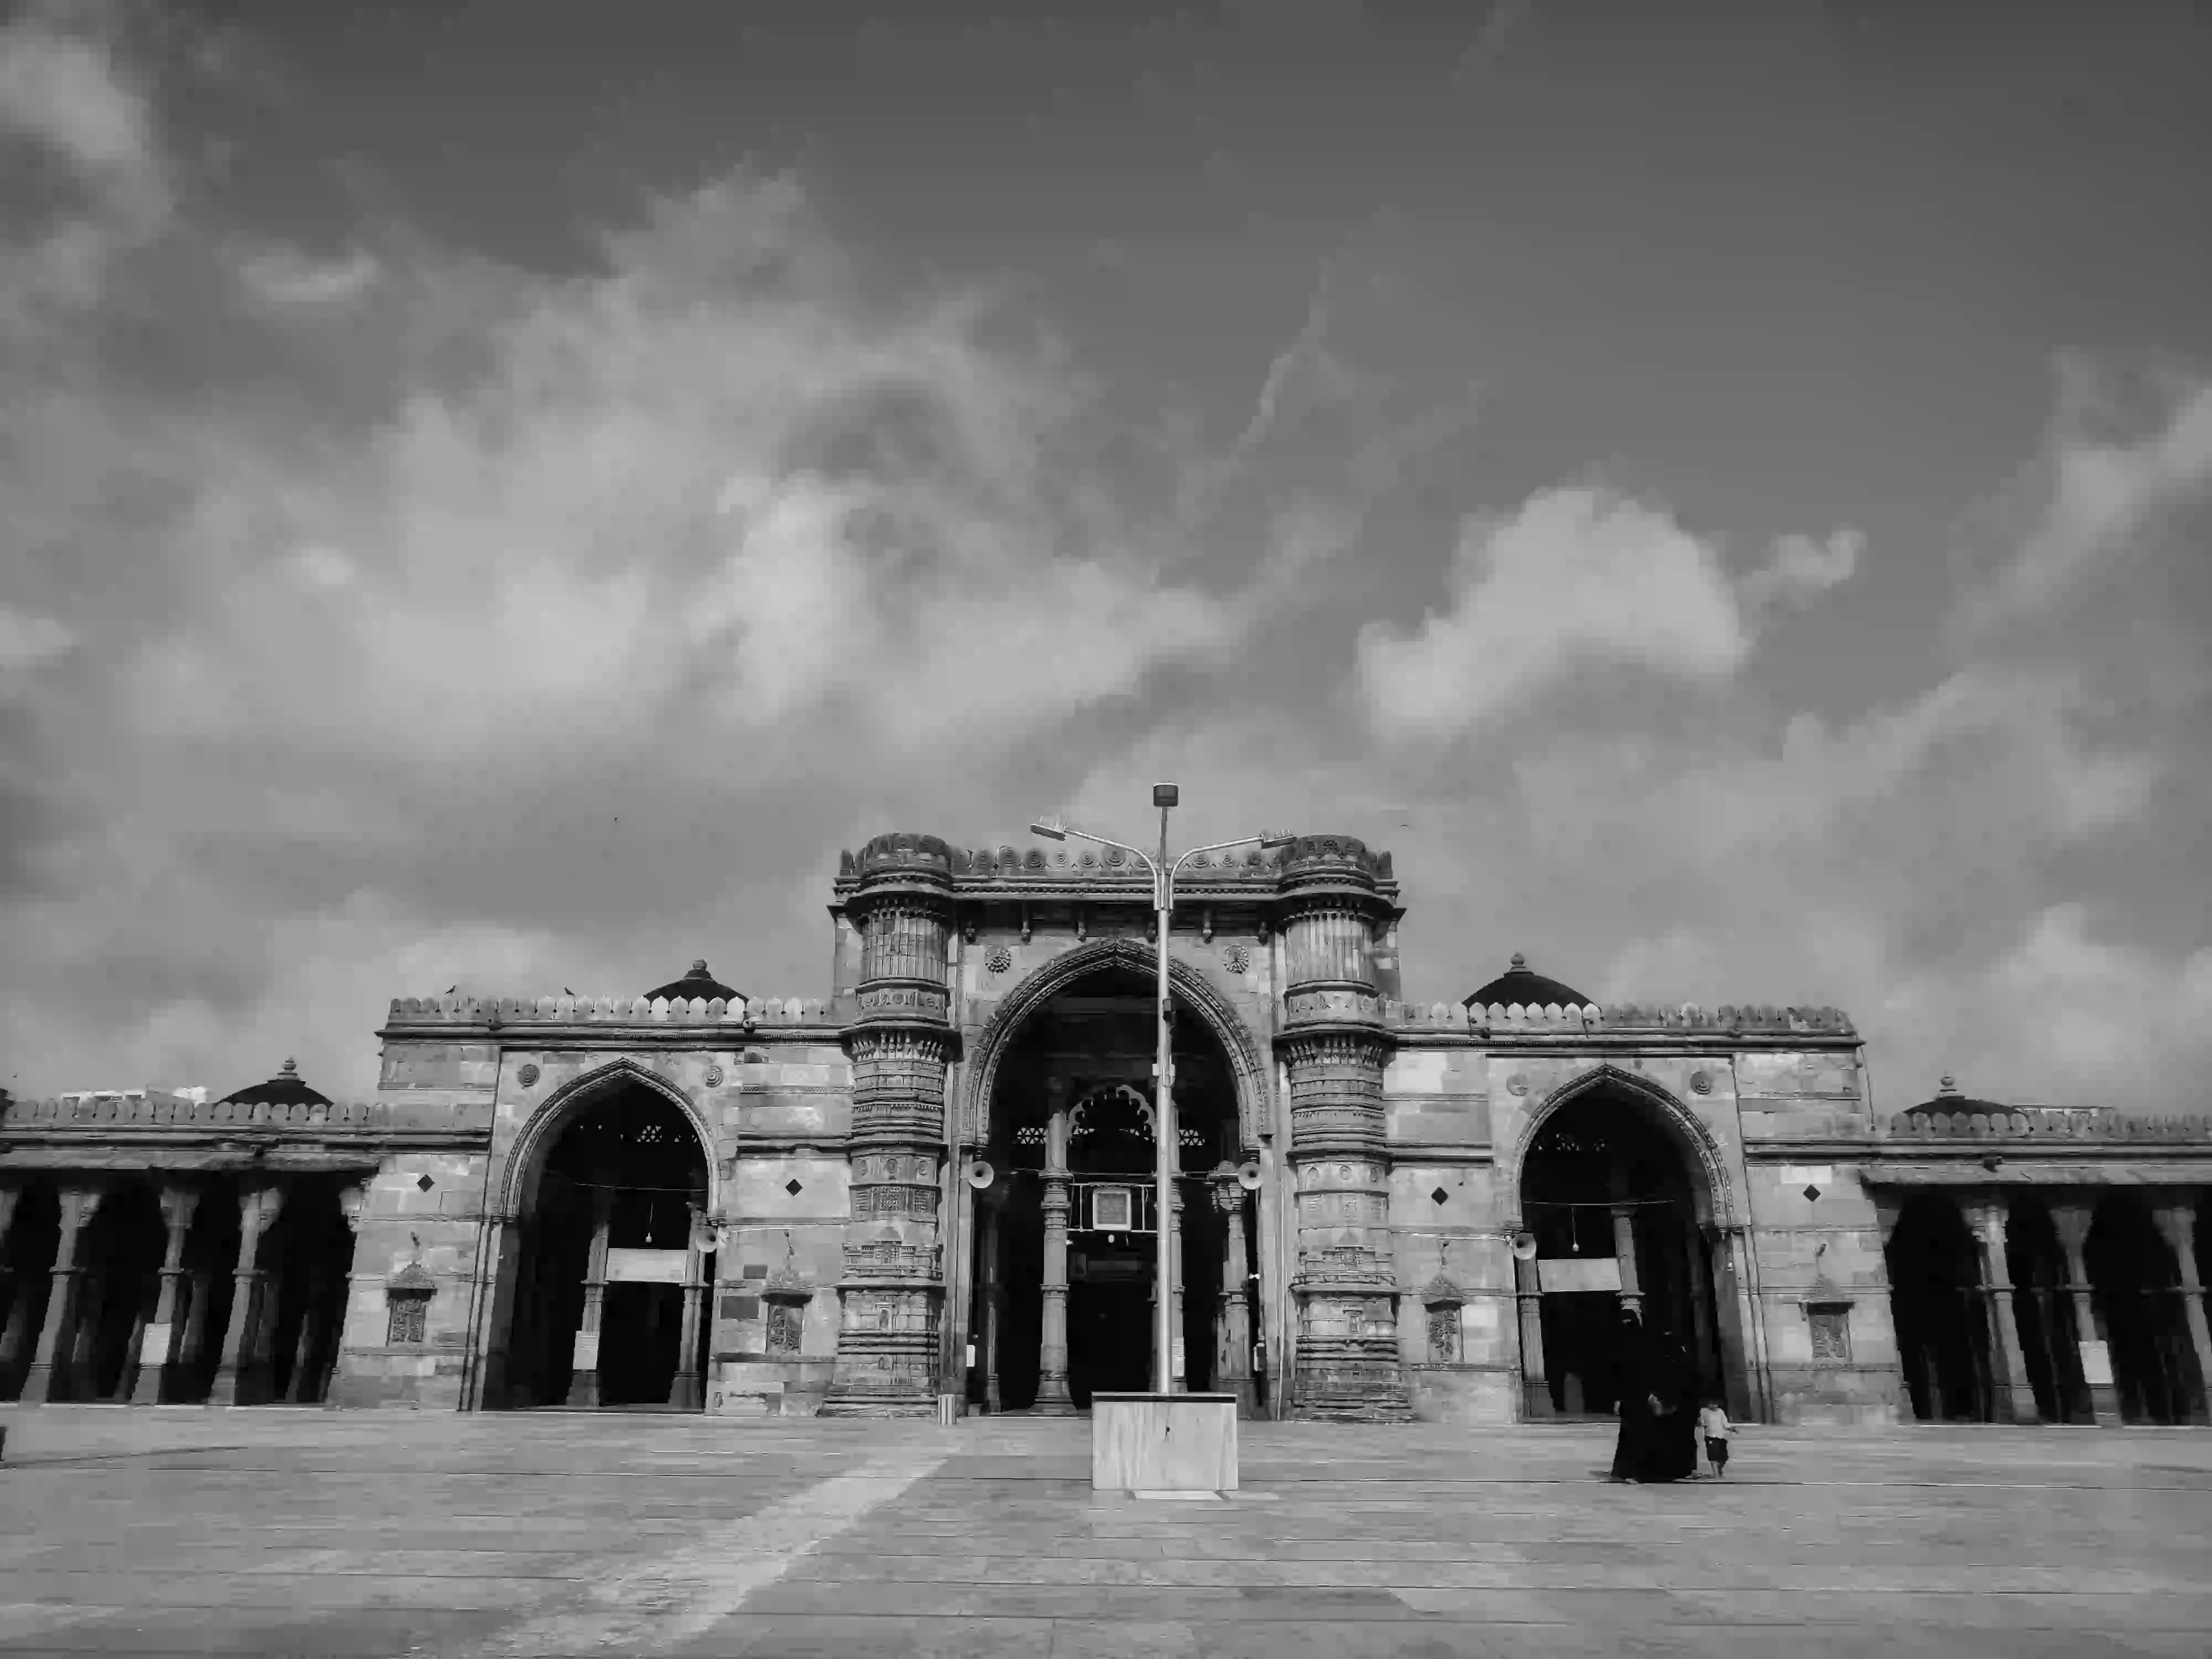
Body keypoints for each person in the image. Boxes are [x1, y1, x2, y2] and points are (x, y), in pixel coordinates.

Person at [1635, 1326, 1700, 1483]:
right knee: (1683, 1439)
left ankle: (1662, 1471)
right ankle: (1684, 1469)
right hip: (1682, 1406)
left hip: (1670, 1405)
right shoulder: (1683, 1360)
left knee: (1663, 1438)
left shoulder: (1663, 1361)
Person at [1606, 1307, 1652, 1483]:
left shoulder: (1620, 1342)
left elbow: (1616, 1372)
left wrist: (1617, 1398)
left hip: (1632, 1397)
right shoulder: (1641, 1340)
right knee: (1636, 1433)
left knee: (1629, 1434)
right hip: (1639, 1396)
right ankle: (1632, 1471)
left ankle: (1625, 1471)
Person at [1698, 1398, 1732, 1478]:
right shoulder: (1704, 1412)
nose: (1712, 1406)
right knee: (1713, 1455)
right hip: (1710, 1436)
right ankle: (1716, 1473)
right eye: (1710, 1404)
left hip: (1720, 1437)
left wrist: (1733, 1429)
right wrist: (1699, 1421)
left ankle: (1719, 1470)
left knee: (1724, 1457)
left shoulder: (1720, 1412)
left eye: (1714, 1404)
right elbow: (1701, 1423)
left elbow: (1725, 1424)